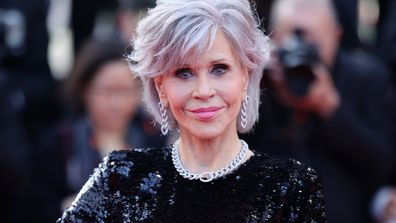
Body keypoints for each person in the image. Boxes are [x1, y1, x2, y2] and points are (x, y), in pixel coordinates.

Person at [57, 0, 327, 222]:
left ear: (245, 76)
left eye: (219, 69)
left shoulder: (290, 188)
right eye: (184, 72)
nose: (203, 90)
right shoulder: (121, 177)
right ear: (161, 86)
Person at [242, 0, 394, 222]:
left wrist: (331, 109)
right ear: (273, 41)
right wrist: (258, 87)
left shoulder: (367, 78)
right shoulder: (261, 82)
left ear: (337, 35)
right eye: (293, 42)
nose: (304, 57)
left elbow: (384, 166)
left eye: (314, 46)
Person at [33, 38, 166, 222]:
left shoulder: (154, 139)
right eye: (106, 91)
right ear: (84, 90)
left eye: (126, 91)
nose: (116, 104)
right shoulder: (59, 143)